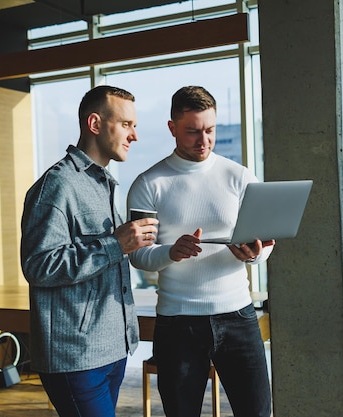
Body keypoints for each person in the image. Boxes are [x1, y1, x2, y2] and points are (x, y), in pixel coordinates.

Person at [127, 86, 274, 417]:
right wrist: (171, 253)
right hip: (178, 322)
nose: (203, 140)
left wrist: (254, 254)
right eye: (193, 131)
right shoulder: (149, 184)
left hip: (238, 316)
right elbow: (137, 255)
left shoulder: (239, 177)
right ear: (172, 128)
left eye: (210, 130)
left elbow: (263, 248)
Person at [20, 85, 158, 417]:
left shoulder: (104, 184)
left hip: (113, 348)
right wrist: (115, 244)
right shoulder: (57, 186)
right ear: (95, 124)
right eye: (126, 124)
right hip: (76, 356)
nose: (134, 135)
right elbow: (38, 266)